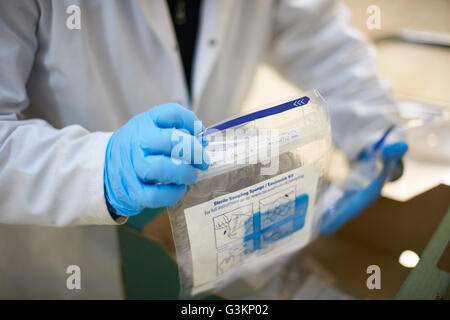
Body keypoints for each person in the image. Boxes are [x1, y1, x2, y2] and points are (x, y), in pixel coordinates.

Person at [0, 0, 407, 298]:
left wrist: (374, 126)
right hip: (61, 256)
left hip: (202, 234)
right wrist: (103, 170)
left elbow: (317, 36)